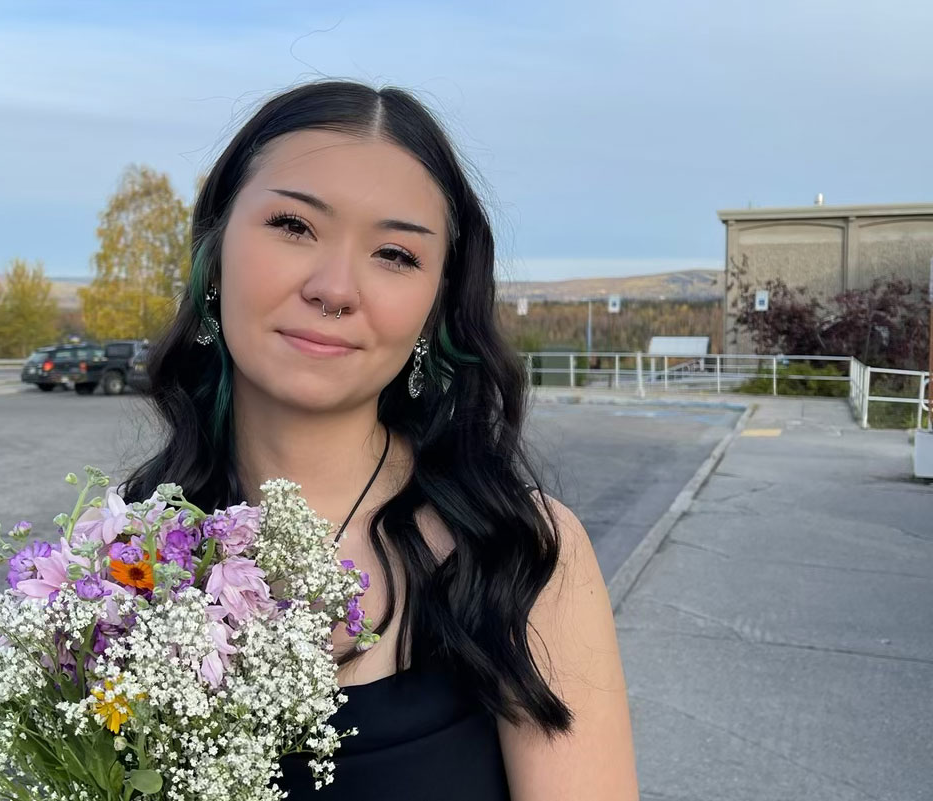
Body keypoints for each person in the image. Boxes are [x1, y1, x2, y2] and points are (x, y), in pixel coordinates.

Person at [121, 80, 638, 800]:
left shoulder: (518, 556)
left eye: (395, 253)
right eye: (294, 226)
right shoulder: (121, 555)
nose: (336, 287)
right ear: (216, 250)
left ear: (435, 306)